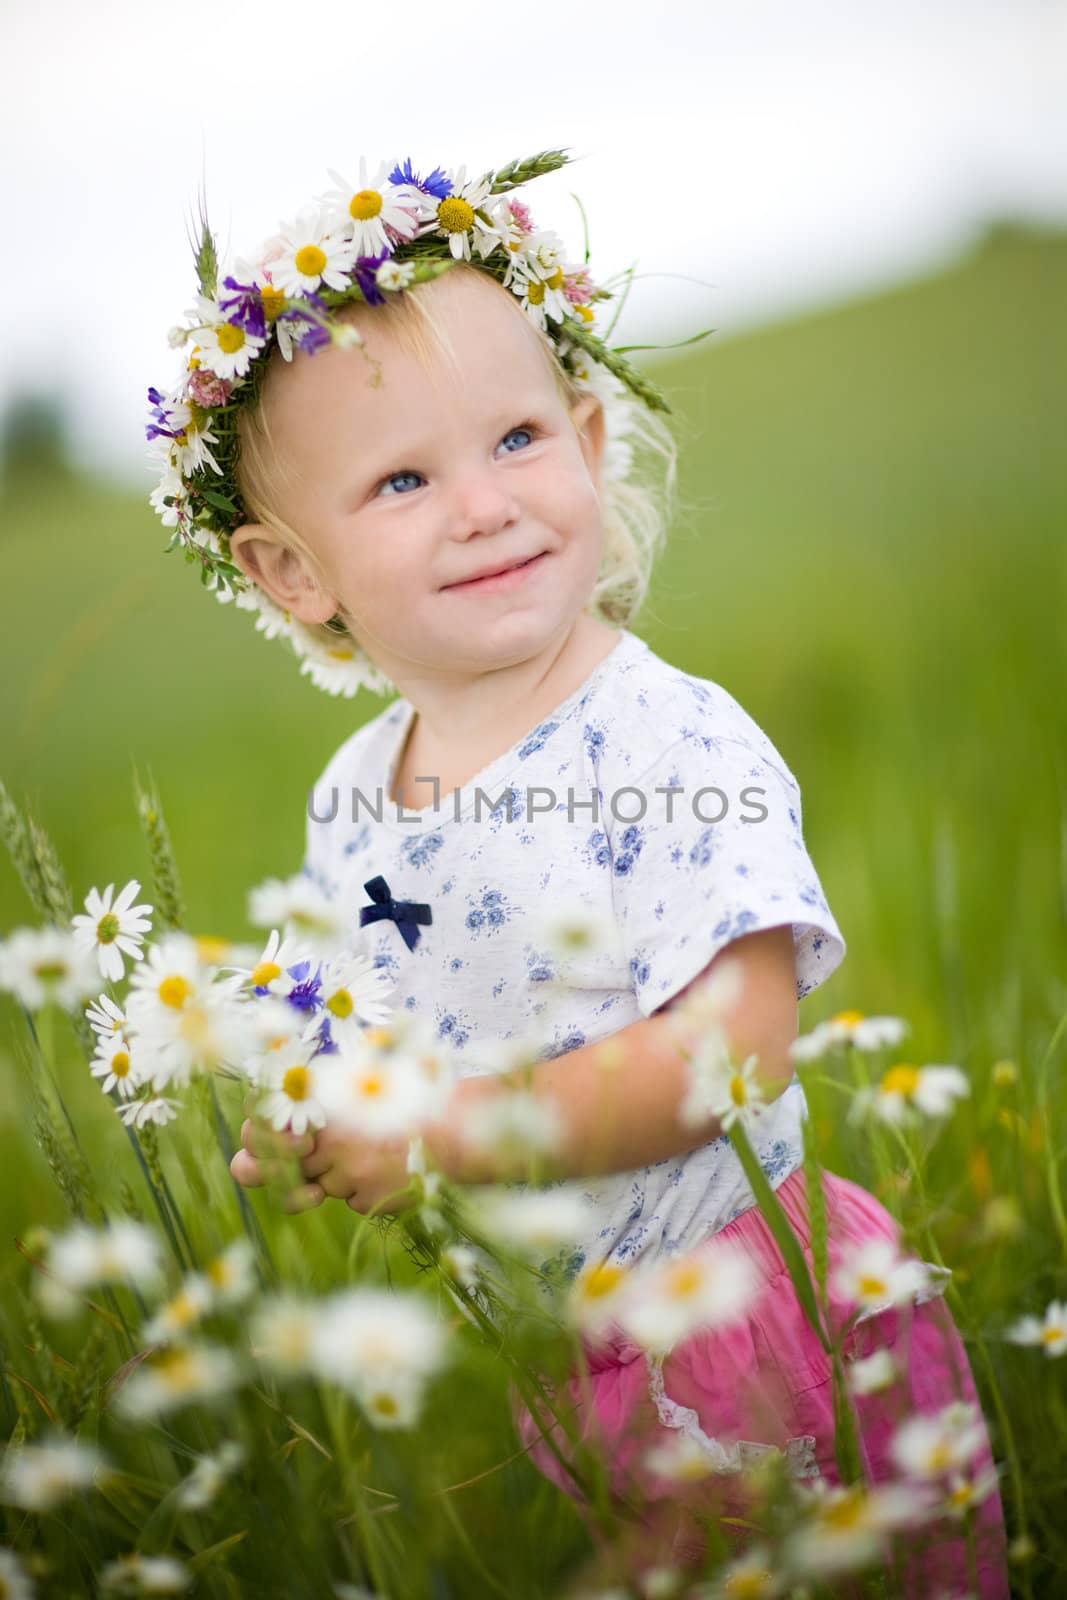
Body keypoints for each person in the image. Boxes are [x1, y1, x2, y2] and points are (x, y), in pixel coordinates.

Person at [150, 151, 1009, 1595]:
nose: (482, 504)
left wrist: (449, 1134)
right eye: (406, 477)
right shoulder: (352, 797)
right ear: (293, 573)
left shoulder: (666, 734)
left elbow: (730, 1048)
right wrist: (308, 1103)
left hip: (754, 1305)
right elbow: (368, 1013)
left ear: (593, 440)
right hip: (572, 1349)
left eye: (516, 440)